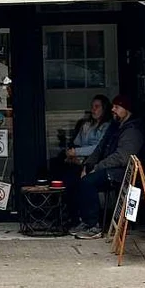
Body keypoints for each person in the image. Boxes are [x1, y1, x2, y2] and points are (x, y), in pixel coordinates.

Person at [72, 94, 144, 238]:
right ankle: (83, 220)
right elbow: (100, 148)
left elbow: (121, 158)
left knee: (88, 182)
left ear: (126, 110)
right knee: (75, 178)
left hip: (121, 172)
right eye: (113, 106)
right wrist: (87, 165)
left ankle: (93, 226)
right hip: (108, 167)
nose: (113, 109)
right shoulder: (115, 126)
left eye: (117, 107)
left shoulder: (132, 131)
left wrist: (97, 168)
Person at [58, 94, 112, 222]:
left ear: (104, 109)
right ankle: (70, 215)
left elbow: (98, 147)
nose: (93, 109)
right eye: (92, 106)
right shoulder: (87, 125)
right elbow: (77, 143)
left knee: (77, 180)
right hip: (79, 159)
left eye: (97, 106)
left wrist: (76, 153)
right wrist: (73, 154)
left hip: (94, 162)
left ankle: (82, 217)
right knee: (63, 173)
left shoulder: (107, 126)